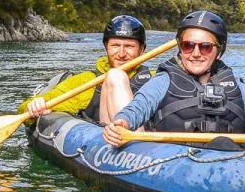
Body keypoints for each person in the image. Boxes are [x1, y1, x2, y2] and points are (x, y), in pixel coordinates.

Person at [103, 10, 245, 146]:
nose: (196, 53)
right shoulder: (164, 80)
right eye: (188, 46)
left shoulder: (233, 82)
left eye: (205, 46)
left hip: (229, 155)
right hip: (173, 159)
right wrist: (123, 122)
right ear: (180, 48)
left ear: (219, 52)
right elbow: (139, 107)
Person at [17, 15, 153, 125]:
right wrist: (33, 106)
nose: (121, 53)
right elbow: (24, 109)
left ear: (142, 49)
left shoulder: (155, 79)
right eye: (115, 45)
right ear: (106, 47)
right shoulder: (86, 82)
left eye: (129, 46)